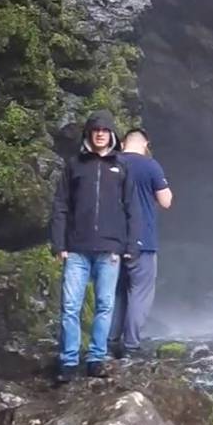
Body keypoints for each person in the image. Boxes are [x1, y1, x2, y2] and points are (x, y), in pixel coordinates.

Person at [50, 109, 140, 383]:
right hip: (77, 247)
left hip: (110, 248)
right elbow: (61, 205)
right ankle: (68, 362)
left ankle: (96, 359)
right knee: (70, 306)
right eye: (95, 130)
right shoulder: (74, 165)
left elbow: (131, 209)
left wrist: (130, 245)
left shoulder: (122, 167)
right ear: (89, 134)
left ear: (112, 134)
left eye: (105, 130)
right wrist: (58, 242)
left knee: (104, 306)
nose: (100, 134)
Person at [111, 128, 173, 358]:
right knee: (139, 292)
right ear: (146, 144)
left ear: (122, 143)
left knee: (115, 293)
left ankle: (109, 343)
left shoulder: (110, 162)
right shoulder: (150, 165)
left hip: (113, 241)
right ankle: (130, 346)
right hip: (143, 241)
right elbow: (166, 201)